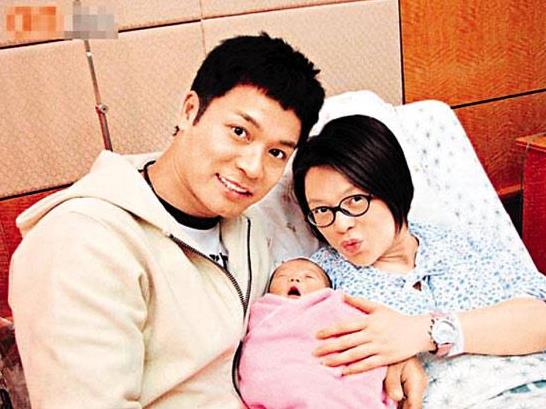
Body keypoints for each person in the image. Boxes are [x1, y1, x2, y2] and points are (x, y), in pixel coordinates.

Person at [8, 35, 423, 409]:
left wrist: (381, 356)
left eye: (277, 153)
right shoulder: (79, 246)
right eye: (240, 132)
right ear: (190, 111)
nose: (252, 167)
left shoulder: (248, 225)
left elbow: (290, 323)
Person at [291, 114, 546, 408]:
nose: (340, 224)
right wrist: (384, 368)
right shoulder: (317, 278)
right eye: (322, 211)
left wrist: (425, 332)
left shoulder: (465, 243)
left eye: (355, 200)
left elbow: (539, 318)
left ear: (392, 186)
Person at [238, 258, 392, 409]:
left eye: (309, 277)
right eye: (282, 276)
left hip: (331, 383)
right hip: (276, 379)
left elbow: (370, 331)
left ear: (327, 289)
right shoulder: (263, 310)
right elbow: (255, 349)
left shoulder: (334, 305)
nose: (294, 279)